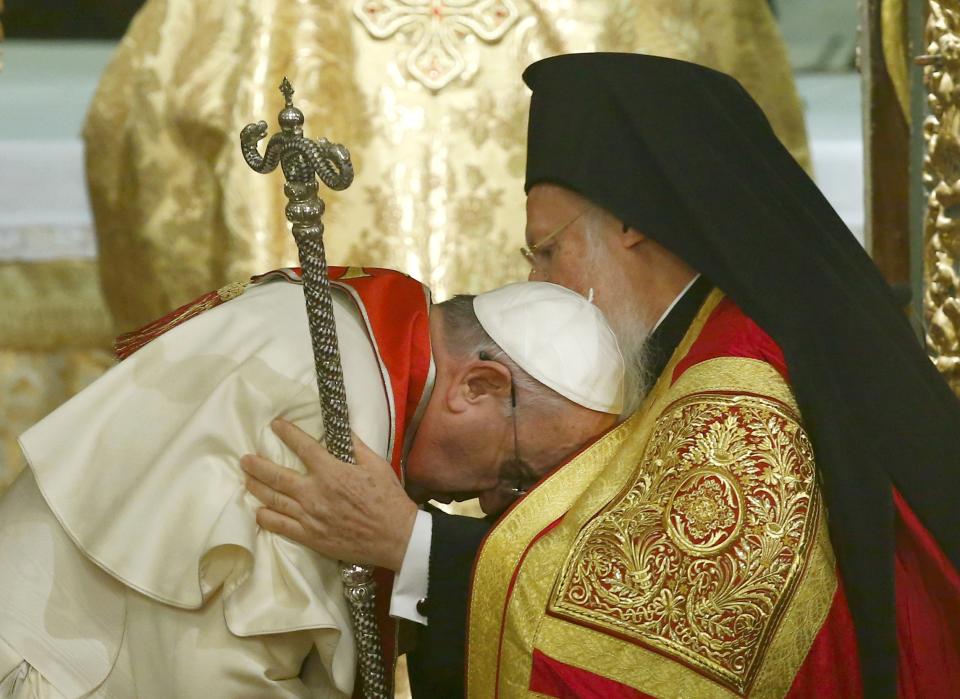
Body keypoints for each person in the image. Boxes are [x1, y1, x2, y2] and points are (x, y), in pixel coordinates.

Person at [245, 54, 960, 698]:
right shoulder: (687, 353)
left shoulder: (741, 381)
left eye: (548, 249)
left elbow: (657, 646)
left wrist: (411, 543)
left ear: (631, 226)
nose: (538, 281)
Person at [0, 266, 623, 698]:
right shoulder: (337, 418)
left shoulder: (346, 337)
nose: (490, 504)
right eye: (513, 474)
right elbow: (217, 670)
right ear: (478, 387)